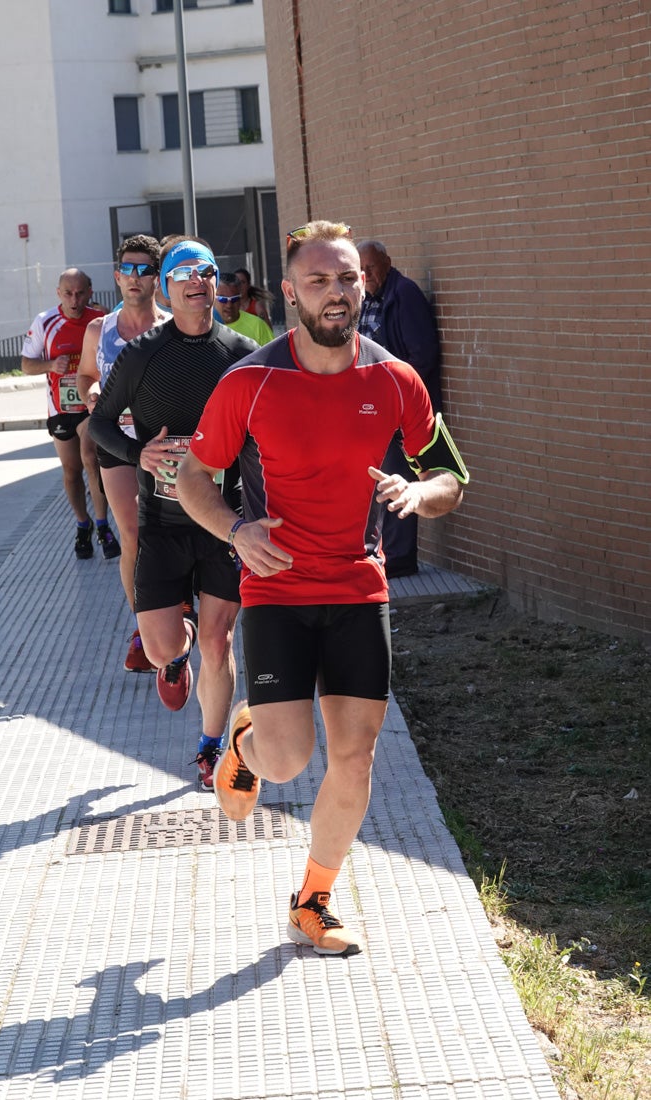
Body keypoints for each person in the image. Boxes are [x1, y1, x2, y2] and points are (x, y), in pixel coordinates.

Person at [177, 220, 469, 956]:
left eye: (347, 279)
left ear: (361, 285)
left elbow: (450, 478)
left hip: (357, 588)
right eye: (319, 282)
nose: (336, 294)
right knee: (287, 762)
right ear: (288, 293)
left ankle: (313, 898)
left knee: (356, 756)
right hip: (276, 592)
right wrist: (234, 531)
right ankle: (245, 737)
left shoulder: (394, 379)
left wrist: (417, 494)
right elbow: (190, 476)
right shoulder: (250, 381)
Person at [88, 239, 258, 788]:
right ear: (166, 285)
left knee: (219, 641)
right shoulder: (142, 354)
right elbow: (100, 424)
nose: (196, 282)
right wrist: (139, 453)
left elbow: (265, 432)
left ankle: (211, 749)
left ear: (215, 284)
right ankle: (172, 654)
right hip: (160, 525)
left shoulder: (238, 354)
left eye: (206, 272)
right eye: (183, 273)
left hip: (223, 525)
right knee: (164, 645)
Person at [77, 235, 171, 673]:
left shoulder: (172, 326)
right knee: (132, 535)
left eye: (144, 270)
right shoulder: (100, 330)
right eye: (127, 270)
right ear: (117, 276)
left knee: (173, 533)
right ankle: (143, 628)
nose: (135, 278)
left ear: (157, 278)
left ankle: (179, 611)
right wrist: (93, 392)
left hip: (165, 444)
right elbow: (85, 377)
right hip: (117, 444)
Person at [357, 239, 443, 578]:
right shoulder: (368, 298)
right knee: (378, 482)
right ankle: (385, 553)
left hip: (399, 409)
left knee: (398, 479)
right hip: (372, 409)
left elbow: (423, 356)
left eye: (371, 268)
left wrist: (393, 394)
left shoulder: (403, 294)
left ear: (387, 263)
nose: (366, 275)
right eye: (360, 270)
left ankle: (400, 560)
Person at [21, 268, 121, 562]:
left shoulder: (100, 321)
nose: (74, 300)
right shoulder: (45, 322)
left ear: (90, 292)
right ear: (58, 294)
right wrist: (52, 365)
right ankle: (83, 523)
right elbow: (27, 364)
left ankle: (102, 524)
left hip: (92, 406)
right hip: (61, 407)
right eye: (68, 293)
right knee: (70, 471)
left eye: (80, 293)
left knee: (91, 455)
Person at [215, 273, 274, 346]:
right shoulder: (203, 328)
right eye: (222, 299)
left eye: (234, 299)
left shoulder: (257, 326)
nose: (229, 305)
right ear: (212, 299)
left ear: (240, 299)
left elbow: (273, 355)